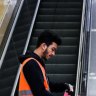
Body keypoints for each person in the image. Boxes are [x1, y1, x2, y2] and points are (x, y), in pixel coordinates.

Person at [18, 30, 74, 96]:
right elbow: (40, 93)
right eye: (52, 49)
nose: (53, 54)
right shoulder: (31, 64)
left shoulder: (37, 63)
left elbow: (48, 85)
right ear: (44, 46)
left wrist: (64, 86)